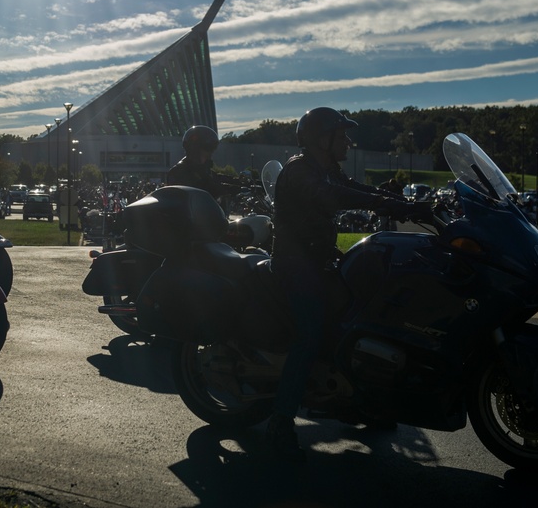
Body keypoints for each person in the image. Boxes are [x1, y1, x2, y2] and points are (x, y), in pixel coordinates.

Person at [266, 107, 429, 463]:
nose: (348, 142)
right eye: (341, 135)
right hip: (296, 265)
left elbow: (356, 188)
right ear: (319, 139)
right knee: (309, 333)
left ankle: (357, 401)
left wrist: (411, 205)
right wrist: (392, 205)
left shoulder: (327, 169)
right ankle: (280, 421)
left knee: (366, 311)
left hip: (319, 259)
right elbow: (335, 196)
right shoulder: (299, 171)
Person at [166, 126, 232, 201]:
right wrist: (224, 189)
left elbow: (218, 178)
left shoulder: (204, 171)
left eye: (212, 150)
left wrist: (240, 183)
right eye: (207, 149)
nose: (210, 154)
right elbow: (203, 188)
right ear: (194, 151)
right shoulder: (179, 172)